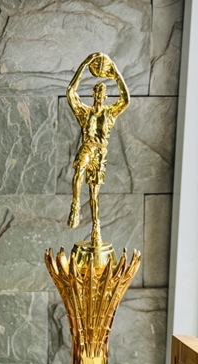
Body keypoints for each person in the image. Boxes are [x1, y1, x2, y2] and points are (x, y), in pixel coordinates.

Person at [67, 52, 129, 245]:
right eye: (97, 92)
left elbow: (126, 99)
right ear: (93, 95)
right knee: (79, 169)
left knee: (94, 192)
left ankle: (96, 227)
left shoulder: (110, 113)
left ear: (105, 96)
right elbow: (71, 92)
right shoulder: (85, 113)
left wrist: (115, 72)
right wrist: (85, 65)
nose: (100, 95)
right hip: (88, 146)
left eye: (103, 93)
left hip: (101, 152)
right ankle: (75, 206)